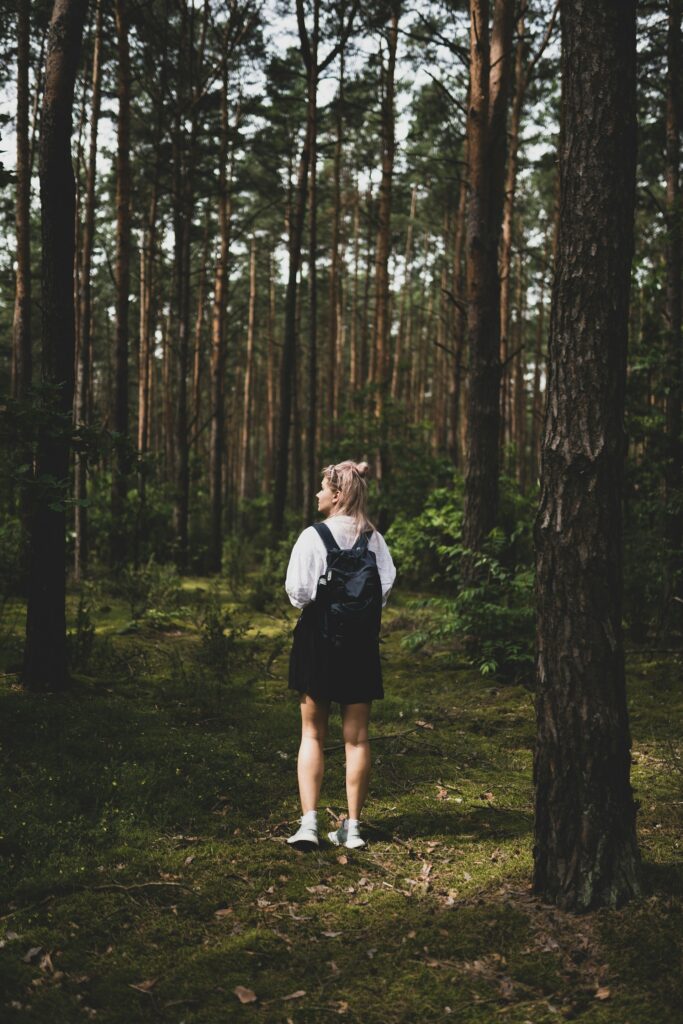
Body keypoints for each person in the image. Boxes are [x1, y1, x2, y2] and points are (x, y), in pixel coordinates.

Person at [284, 460, 397, 851]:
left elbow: (298, 593)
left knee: (312, 733)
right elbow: (384, 589)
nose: (316, 493)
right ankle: (353, 829)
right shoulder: (374, 539)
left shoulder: (313, 536)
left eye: (322, 488)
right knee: (358, 738)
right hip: (360, 645)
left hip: (319, 641)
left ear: (336, 495)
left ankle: (309, 824)